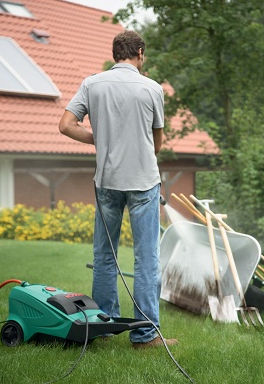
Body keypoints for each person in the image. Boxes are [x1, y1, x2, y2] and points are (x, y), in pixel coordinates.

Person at [59, 30, 177, 348]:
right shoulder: (152, 88)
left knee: (104, 257)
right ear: (139, 52)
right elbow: (158, 142)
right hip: (143, 182)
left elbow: (66, 124)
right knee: (146, 258)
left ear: (115, 54)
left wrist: (100, 139)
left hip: (107, 182)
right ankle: (145, 335)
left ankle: (104, 327)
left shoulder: (92, 84)